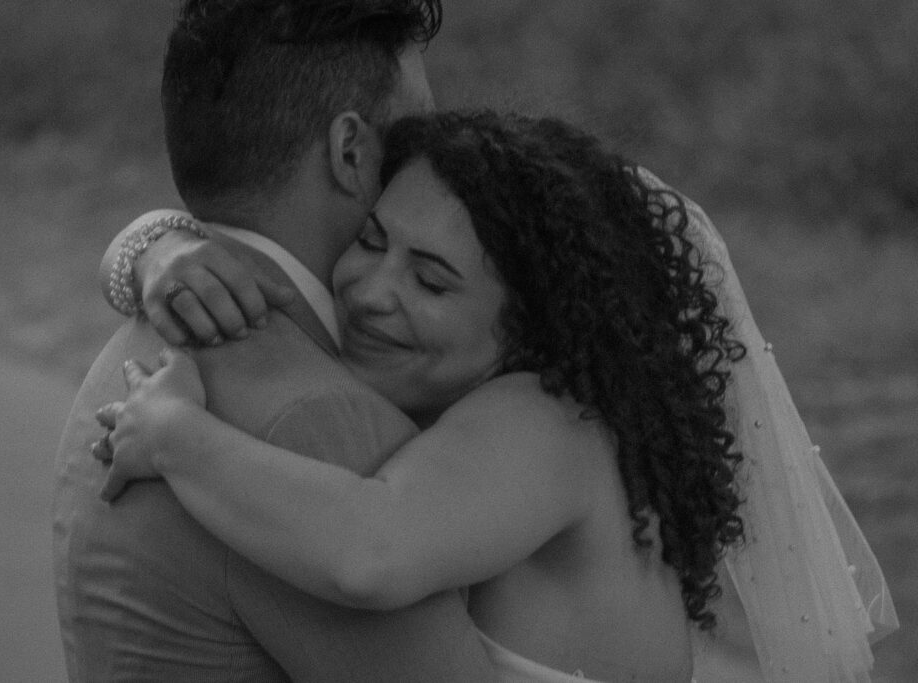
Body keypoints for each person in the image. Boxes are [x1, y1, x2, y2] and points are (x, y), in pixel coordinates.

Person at [96, 112, 898, 682]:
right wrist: (152, 240)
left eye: (431, 279)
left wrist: (172, 434)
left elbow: (368, 553)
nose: (370, 290)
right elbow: (253, 267)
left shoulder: (542, 423)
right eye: (371, 240)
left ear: (528, 328)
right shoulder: (556, 419)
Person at [53, 1, 500, 680]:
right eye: (414, 132)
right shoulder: (320, 425)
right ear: (351, 151)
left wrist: (146, 241)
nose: (428, 159)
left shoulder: (136, 342)